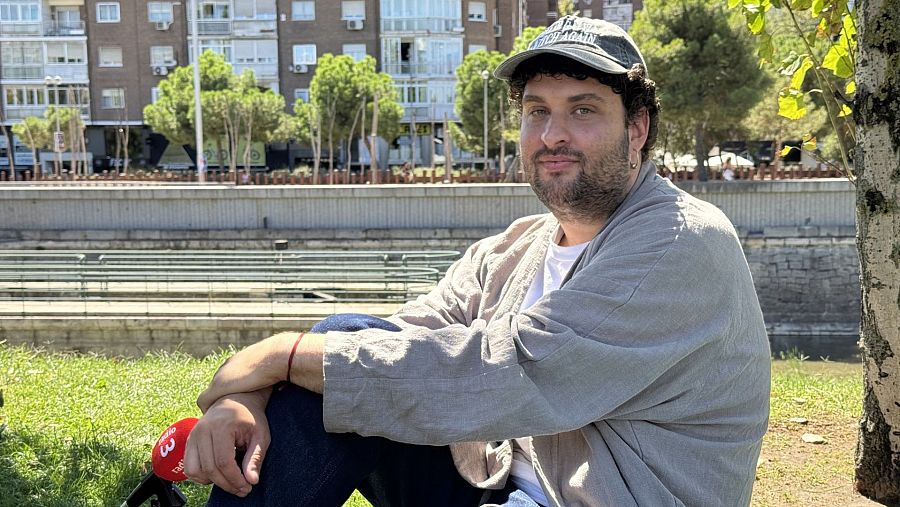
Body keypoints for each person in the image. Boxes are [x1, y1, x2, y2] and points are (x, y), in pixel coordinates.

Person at [184, 15, 770, 507]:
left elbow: (505, 373)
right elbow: (399, 340)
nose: (552, 134)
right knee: (340, 353)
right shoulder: (519, 246)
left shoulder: (678, 240)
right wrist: (248, 396)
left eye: (583, 110)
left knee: (331, 360)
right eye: (537, 110)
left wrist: (277, 354)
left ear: (637, 127)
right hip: (489, 483)